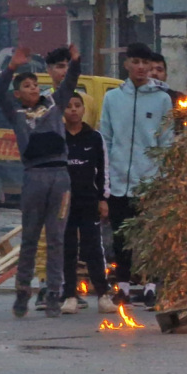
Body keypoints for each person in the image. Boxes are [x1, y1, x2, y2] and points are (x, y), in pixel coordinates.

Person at [0, 44, 80, 318]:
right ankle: (22, 293)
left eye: (35, 84)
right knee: (30, 237)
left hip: (60, 179)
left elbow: (71, 81)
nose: (33, 89)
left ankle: (54, 293)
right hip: (34, 177)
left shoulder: (54, 104)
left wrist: (75, 61)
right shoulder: (16, 114)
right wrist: (12, 67)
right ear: (18, 94)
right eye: (27, 86)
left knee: (56, 238)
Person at [100, 43, 173, 308]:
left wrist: (163, 177)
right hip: (119, 180)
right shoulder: (112, 98)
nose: (141, 67)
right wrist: (105, 177)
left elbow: (166, 141)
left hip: (150, 180)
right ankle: (123, 286)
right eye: (136, 62)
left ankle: (152, 286)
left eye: (145, 62)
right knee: (121, 237)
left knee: (151, 236)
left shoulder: (162, 99)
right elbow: (105, 138)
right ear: (127, 64)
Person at [33, 46, 98, 311]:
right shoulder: (42, 103)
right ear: (48, 71)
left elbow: (91, 136)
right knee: (47, 234)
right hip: (49, 176)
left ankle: (70, 287)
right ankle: (45, 285)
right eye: (58, 66)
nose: (64, 71)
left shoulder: (85, 101)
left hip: (79, 180)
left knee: (74, 238)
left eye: (67, 65)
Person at [60, 93, 117, 314]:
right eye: (69, 106)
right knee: (68, 249)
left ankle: (103, 295)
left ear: (84, 109)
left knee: (93, 248)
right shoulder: (58, 137)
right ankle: (70, 296)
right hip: (64, 203)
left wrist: (103, 199)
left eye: (77, 106)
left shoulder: (94, 137)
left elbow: (103, 170)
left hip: (89, 201)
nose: (73, 110)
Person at [150, 52, 187, 136]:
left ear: (166, 75)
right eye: (150, 69)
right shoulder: (134, 98)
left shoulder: (177, 98)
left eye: (159, 70)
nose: (154, 73)